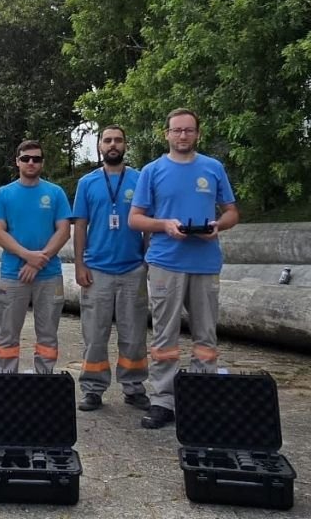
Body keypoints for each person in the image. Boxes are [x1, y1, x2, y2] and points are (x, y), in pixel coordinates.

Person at [129, 108, 238, 429]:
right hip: (166, 262)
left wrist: (219, 225)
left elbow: (232, 211)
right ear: (166, 134)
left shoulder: (213, 168)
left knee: (206, 334)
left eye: (189, 130)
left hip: (205, 262)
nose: (182, 136)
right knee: (165, 334)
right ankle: (164, 400)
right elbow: (136, 219)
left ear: (197, 134)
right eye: (177, 130)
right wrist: (164, 225)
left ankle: (203, 396)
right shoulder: (152, 171)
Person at [72, 126, 150, 412]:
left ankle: (134, 387)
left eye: (118, 140)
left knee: (134, 334)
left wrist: (146, 259)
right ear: (99, 146)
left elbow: (148, 222)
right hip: (97, 270)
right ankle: (93, 388)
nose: (113, 144)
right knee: (94, 334)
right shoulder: (88, 183)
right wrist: (80, 264)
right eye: (107, 140)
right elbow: (80, 225)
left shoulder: (140, 179)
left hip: (132, 269)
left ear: (125, 145)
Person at [0, 140, 72, 374]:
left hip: (49, 276)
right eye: (26, 158)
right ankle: (6, 381)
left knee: (47, 335)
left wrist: (38, 261)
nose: (31, 162)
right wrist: (27, 256)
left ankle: (44, 380)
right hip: (13, 275)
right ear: (17, 161)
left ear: (42, 163)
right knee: (7, 334)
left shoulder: (55, 193)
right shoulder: (4, 194)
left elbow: (64, 231)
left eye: (36, 158)